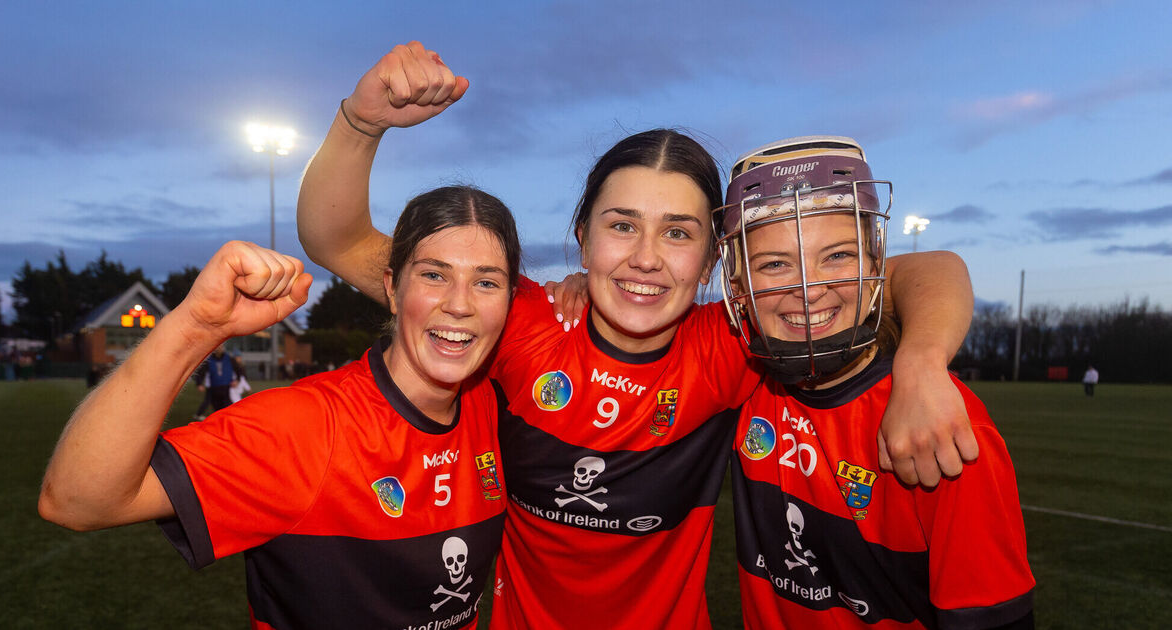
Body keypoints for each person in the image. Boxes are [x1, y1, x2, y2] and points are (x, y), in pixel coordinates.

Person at [297, 42, 979, 629]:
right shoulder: (515, 318)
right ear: (582, 237)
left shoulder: (732, 346)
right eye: (622, 226)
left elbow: (925, 269)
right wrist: (363, 122)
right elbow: (338, 241)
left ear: (711, 262)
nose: (646, 258)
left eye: (677, 233)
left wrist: (921, 362)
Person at [39, 184, 521, 630]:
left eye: (486, 282)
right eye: (435, 275)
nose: (460, 304)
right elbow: (78, 500)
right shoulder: (306, 427)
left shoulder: (493, 406)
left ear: (510, 302)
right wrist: (196, 328)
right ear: (393, 289)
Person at [717, 136, 1034, 629]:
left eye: (837, 256)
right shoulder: (736, 372)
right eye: (775, 264)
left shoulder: (939, 425)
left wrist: (922, 362)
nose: (809, 289)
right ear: (738, 287)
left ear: (875, 265)